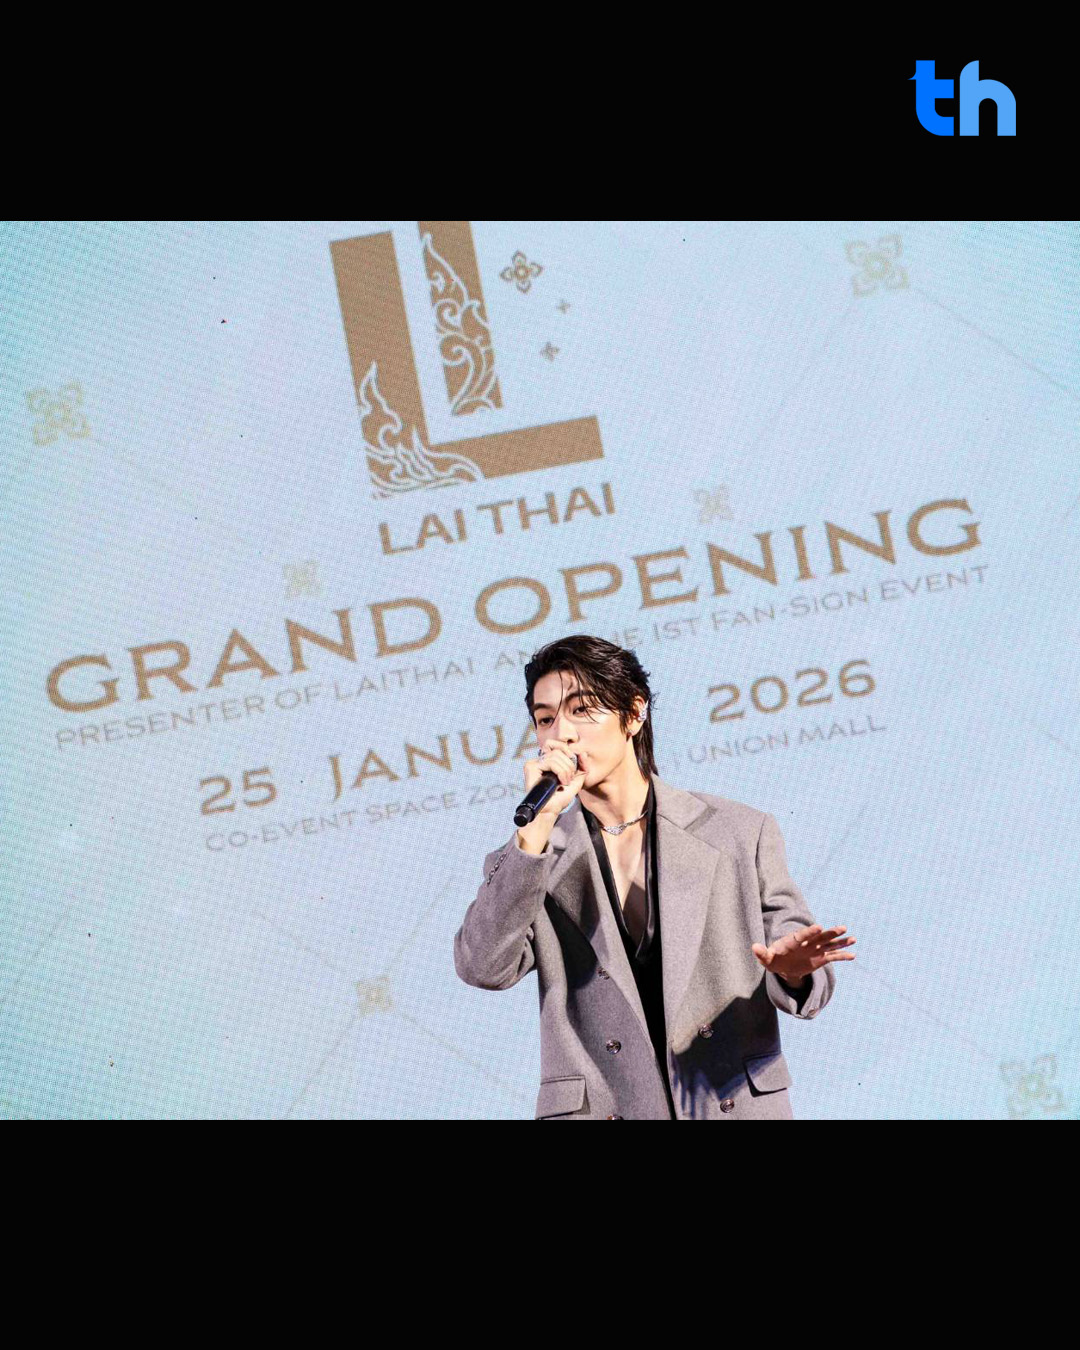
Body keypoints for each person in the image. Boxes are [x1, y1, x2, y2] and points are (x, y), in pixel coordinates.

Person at [453, 635, 855, 1119]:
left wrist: (793, 970)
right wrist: (536, 832)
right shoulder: (531, 857)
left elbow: (806, 964)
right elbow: (482, 966)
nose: (562, 734)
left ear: (634, 713)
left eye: (582, 710)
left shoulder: (738, 832)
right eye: (545, 719)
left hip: (729, 1101)